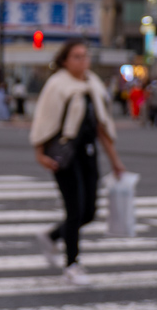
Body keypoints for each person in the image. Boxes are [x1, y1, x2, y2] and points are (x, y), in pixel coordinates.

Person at [30, 40, 125, 285]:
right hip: (64, 154)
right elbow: (44, 121)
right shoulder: (57, 85)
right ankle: (72, 264)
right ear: (65, 60)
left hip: (88, 153)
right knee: (74, 211)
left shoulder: (92, 83)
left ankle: (52, 236)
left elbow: (102, 126)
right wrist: (40, 154)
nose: (83, 61)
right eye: (77, 57)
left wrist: (115, 161)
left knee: (89, 212)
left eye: (85, 56)